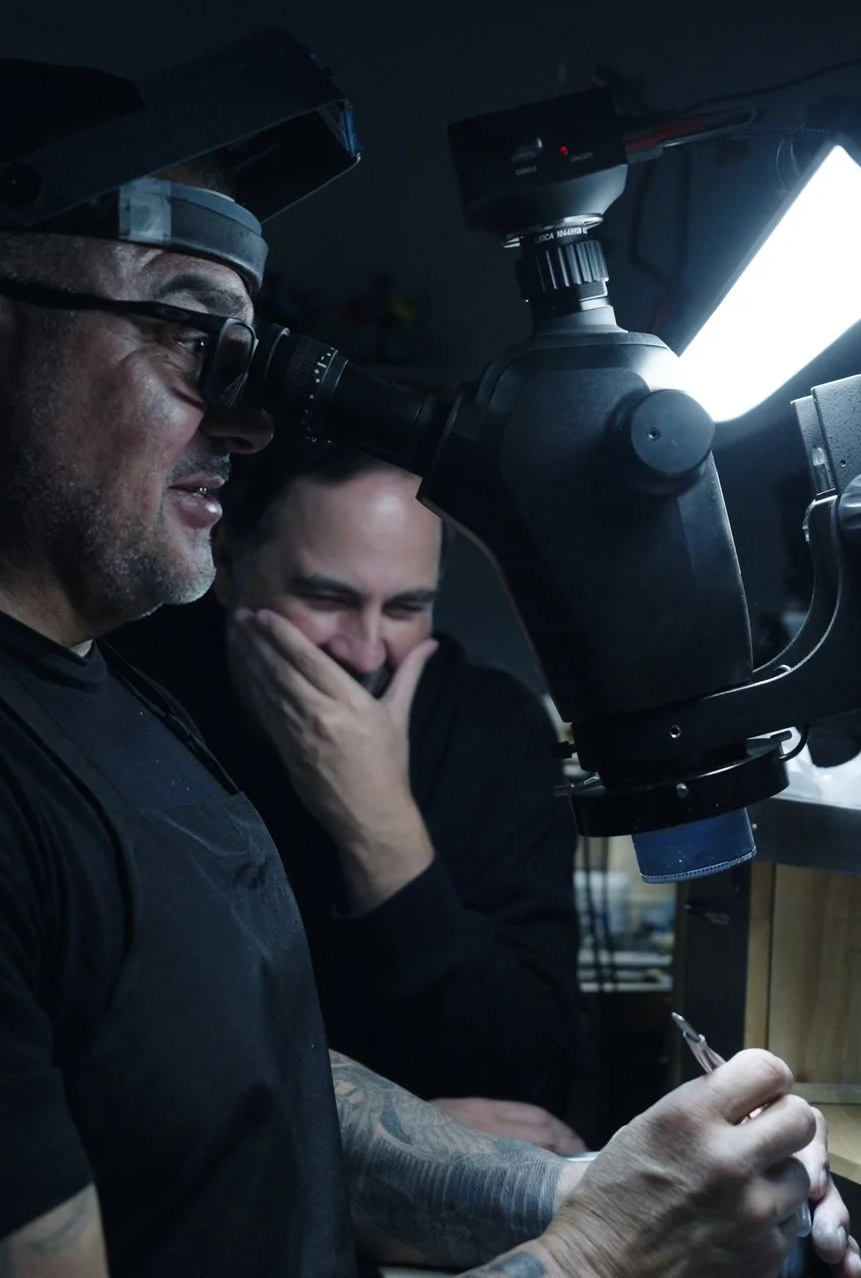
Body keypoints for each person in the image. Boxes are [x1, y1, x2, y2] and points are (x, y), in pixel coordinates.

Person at [0, 51, 861, 1278]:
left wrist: (584, 1188)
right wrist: (611, 1252)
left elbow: (206, 1069)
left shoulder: (57, 662)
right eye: (193, 341)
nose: (246, 424)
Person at [111, 442, 586, 1153]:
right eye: (327, 598)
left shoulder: (496, 729)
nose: (366, 653)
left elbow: (524, 1087)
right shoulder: (129, 700)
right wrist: (389, 1134)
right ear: (230, 568)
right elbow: (123, 1053)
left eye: (406, 607)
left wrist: (377, 823)